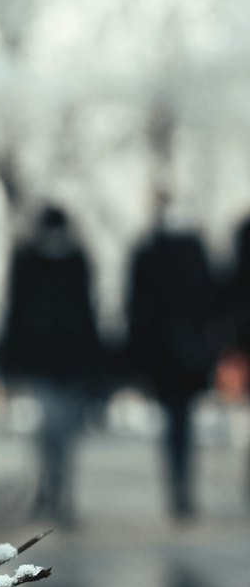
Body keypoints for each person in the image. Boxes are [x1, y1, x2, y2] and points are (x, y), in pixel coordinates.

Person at [0, 203, 104, 525]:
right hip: (42, 361)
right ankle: (51, 489)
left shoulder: (75, 262)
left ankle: (58, 490)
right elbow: (14, 311)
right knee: (50, 429)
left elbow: (88, 312)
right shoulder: (28, 260)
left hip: (69, 363)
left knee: (63, 432)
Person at [125, 198, 218, 519]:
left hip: (176, 355)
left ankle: (180, 486)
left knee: (178, 423)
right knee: (180, 423)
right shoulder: (187, 251)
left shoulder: (154, 251)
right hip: (174, 355)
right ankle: (180, 487)